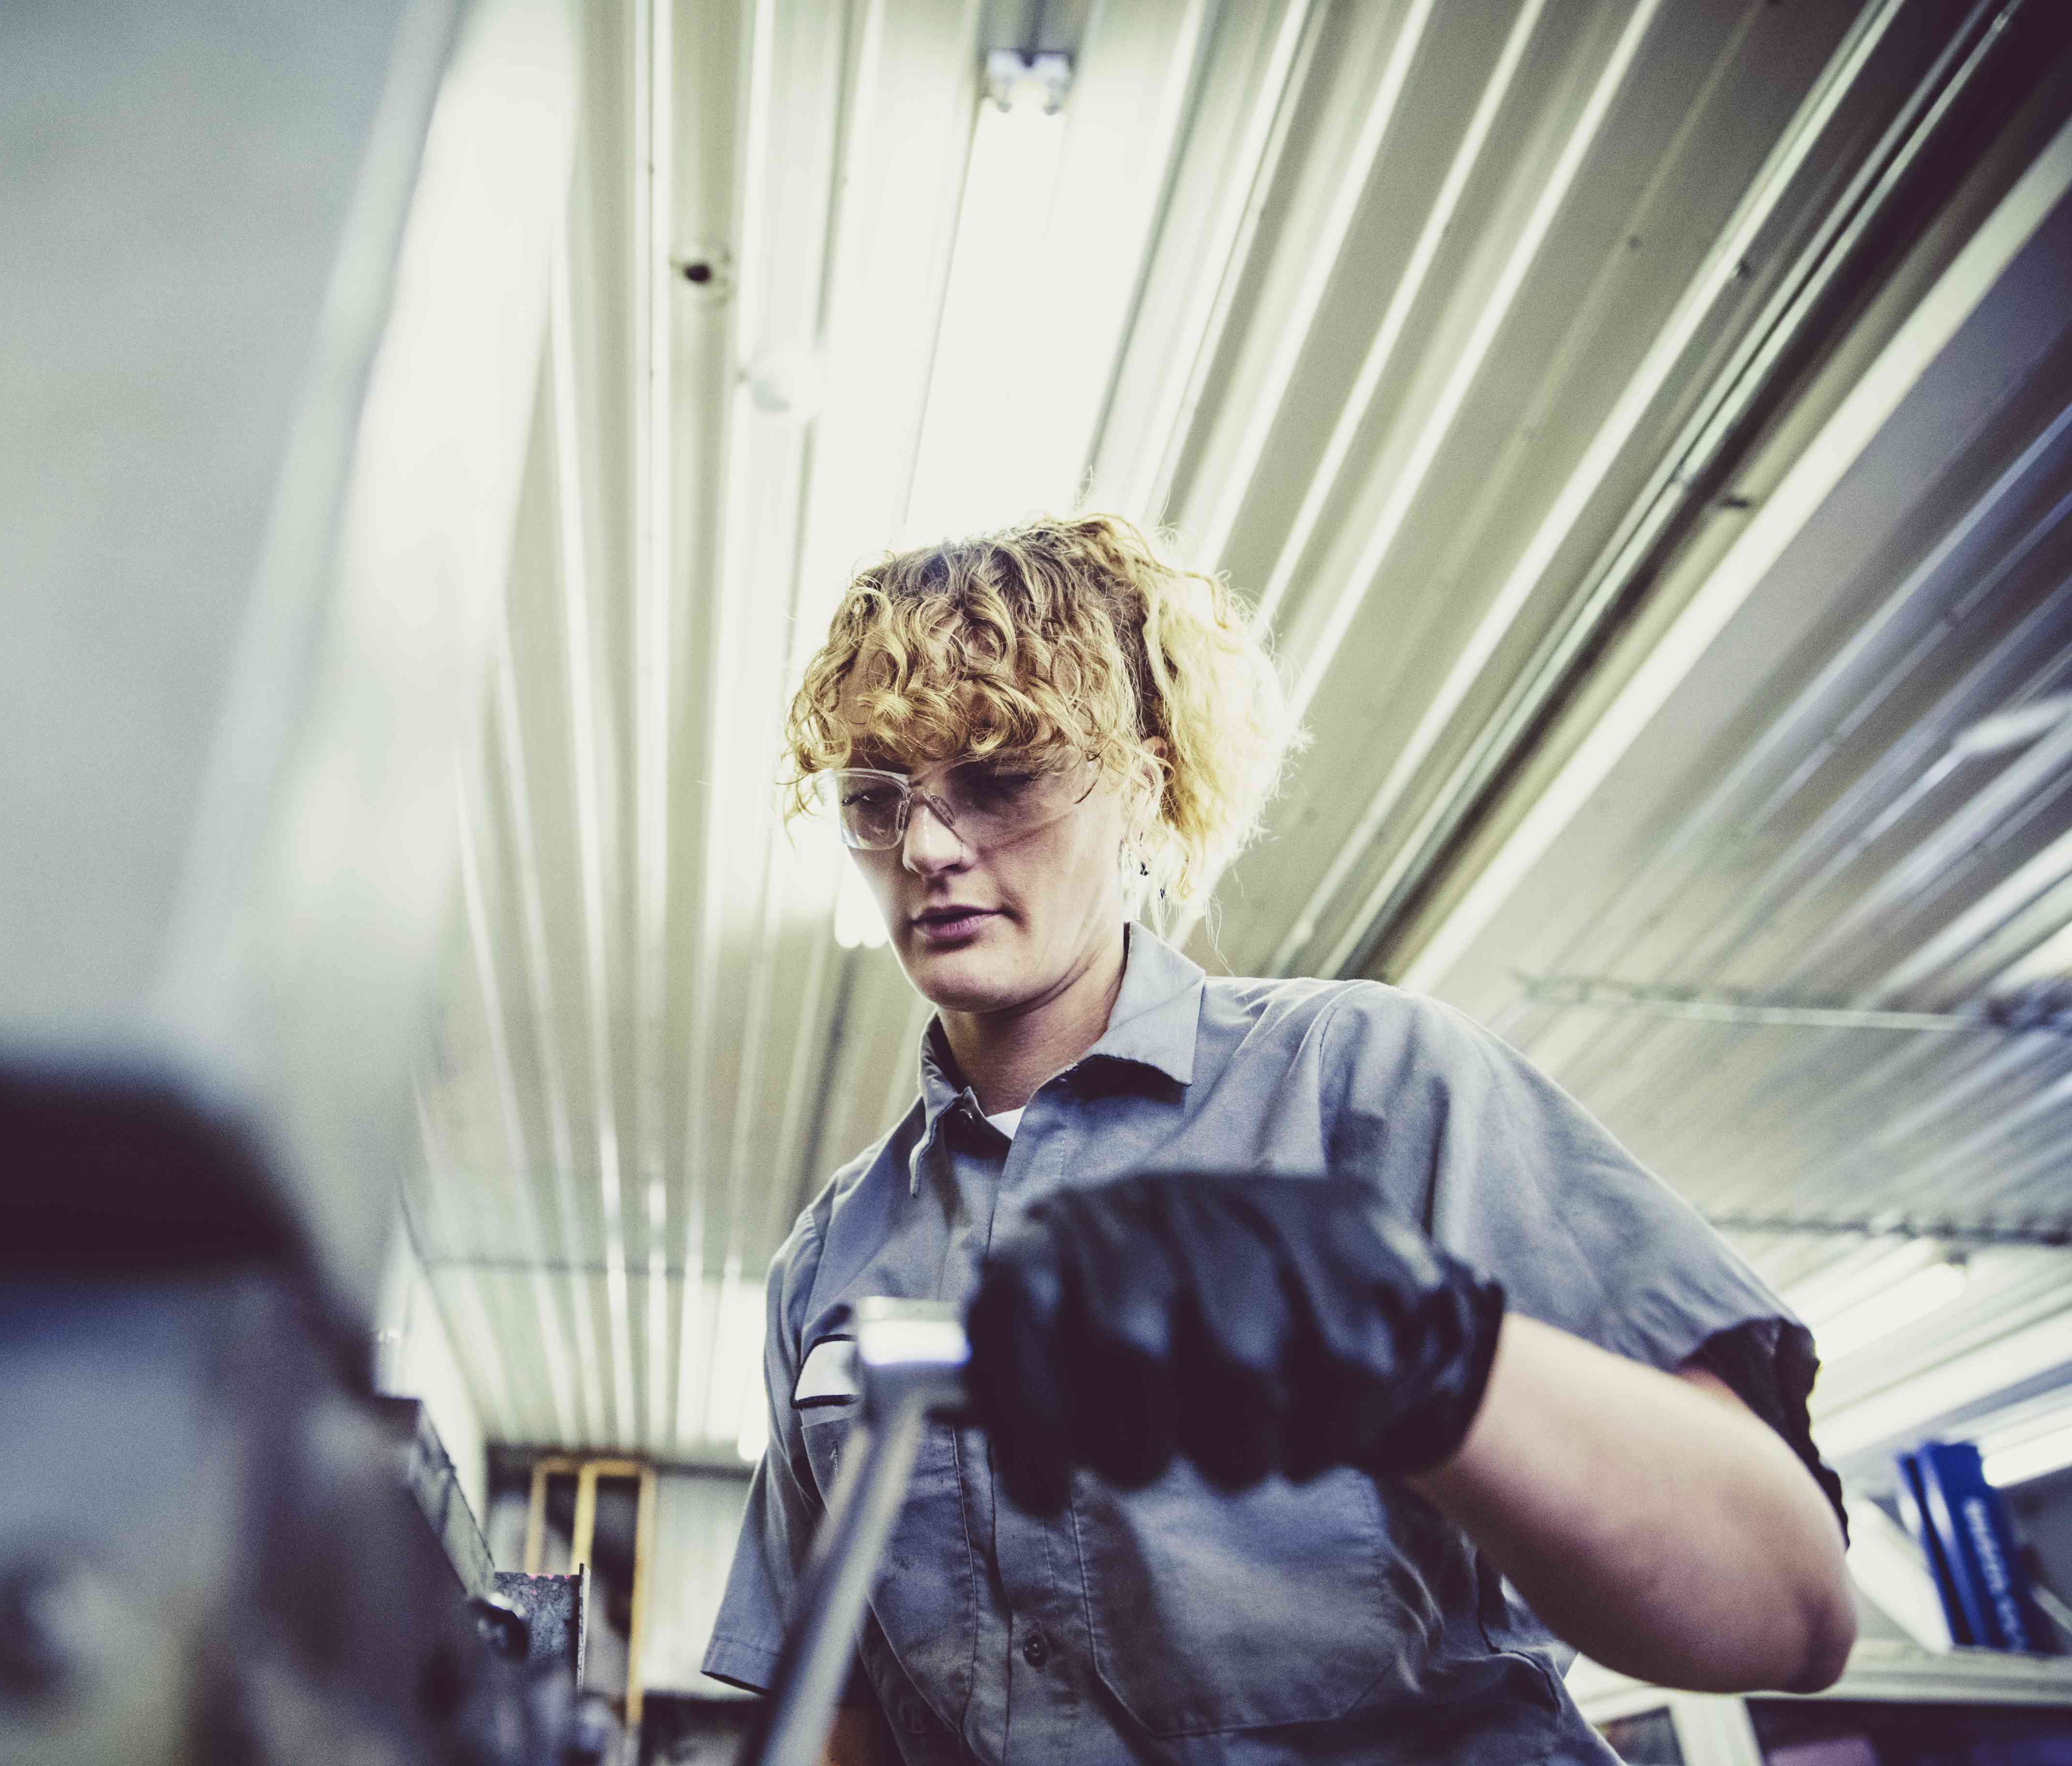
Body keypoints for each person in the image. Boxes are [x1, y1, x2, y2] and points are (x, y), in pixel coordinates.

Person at [702, 514, 1853, 1766]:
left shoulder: (1368, 1086)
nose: (926, 846)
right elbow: (851, 1724)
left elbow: (1791, 1612)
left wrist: (1425, 1362)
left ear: (1142, 789)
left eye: (998, 778)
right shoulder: (830, 1262)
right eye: (880, 797)